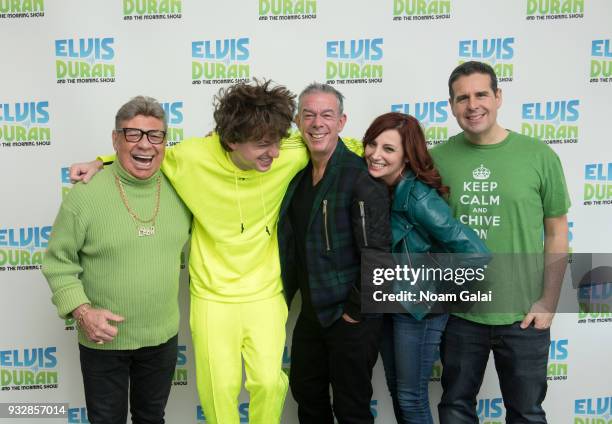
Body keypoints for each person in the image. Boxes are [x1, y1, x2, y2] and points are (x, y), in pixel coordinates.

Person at [69, 80, 304, 424]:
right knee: (219, 390)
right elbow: (144, 153)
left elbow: (333, 145)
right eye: (263, 145)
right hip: (212, 297)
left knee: (269, 382)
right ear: (232, 140)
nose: (275, 152)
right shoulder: (192, 158)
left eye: (277, 142)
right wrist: (100, 161)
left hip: (265, 294)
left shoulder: (289, 151)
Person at [432, 61, 570, 423]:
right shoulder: (437, 160)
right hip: (460, 315)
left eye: (481, 94)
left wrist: (548, 302)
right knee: (455, 408)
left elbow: (557, 232)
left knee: (526, 412)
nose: (472, 105)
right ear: (451, 105)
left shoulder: (539, 156)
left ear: (498, 96)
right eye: (462, 98)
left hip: (524, 315)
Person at [43, 96, 191, 424]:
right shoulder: (85, 196)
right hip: (104, 339)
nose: (146, 145)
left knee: (151, 418)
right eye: (133, 134)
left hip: (161, 339)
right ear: (115, 139)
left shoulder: (183, 188)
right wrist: (82, 312)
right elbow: (58, 262)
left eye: (155, 136)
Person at [361, 112, 489, 424]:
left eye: (389, 149)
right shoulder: (381, 188)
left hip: (418, 310)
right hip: (390, 303)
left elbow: (477, 254)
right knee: (397, 391)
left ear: (407, 156)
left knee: (411, 396)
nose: (376, 154)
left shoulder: (419, 198)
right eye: (372, 144)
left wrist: (428, 290)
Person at [278, 83, 391, 424]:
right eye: (309, 114)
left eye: (327, 115)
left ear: (341, 122)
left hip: (351, 316)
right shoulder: (295, 173)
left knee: (351, 406)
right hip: (312, 314)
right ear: (298, 121)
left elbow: (378, 255)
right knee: (306, 394)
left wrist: (355, 311)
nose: (317, 123)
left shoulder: (360, 176)